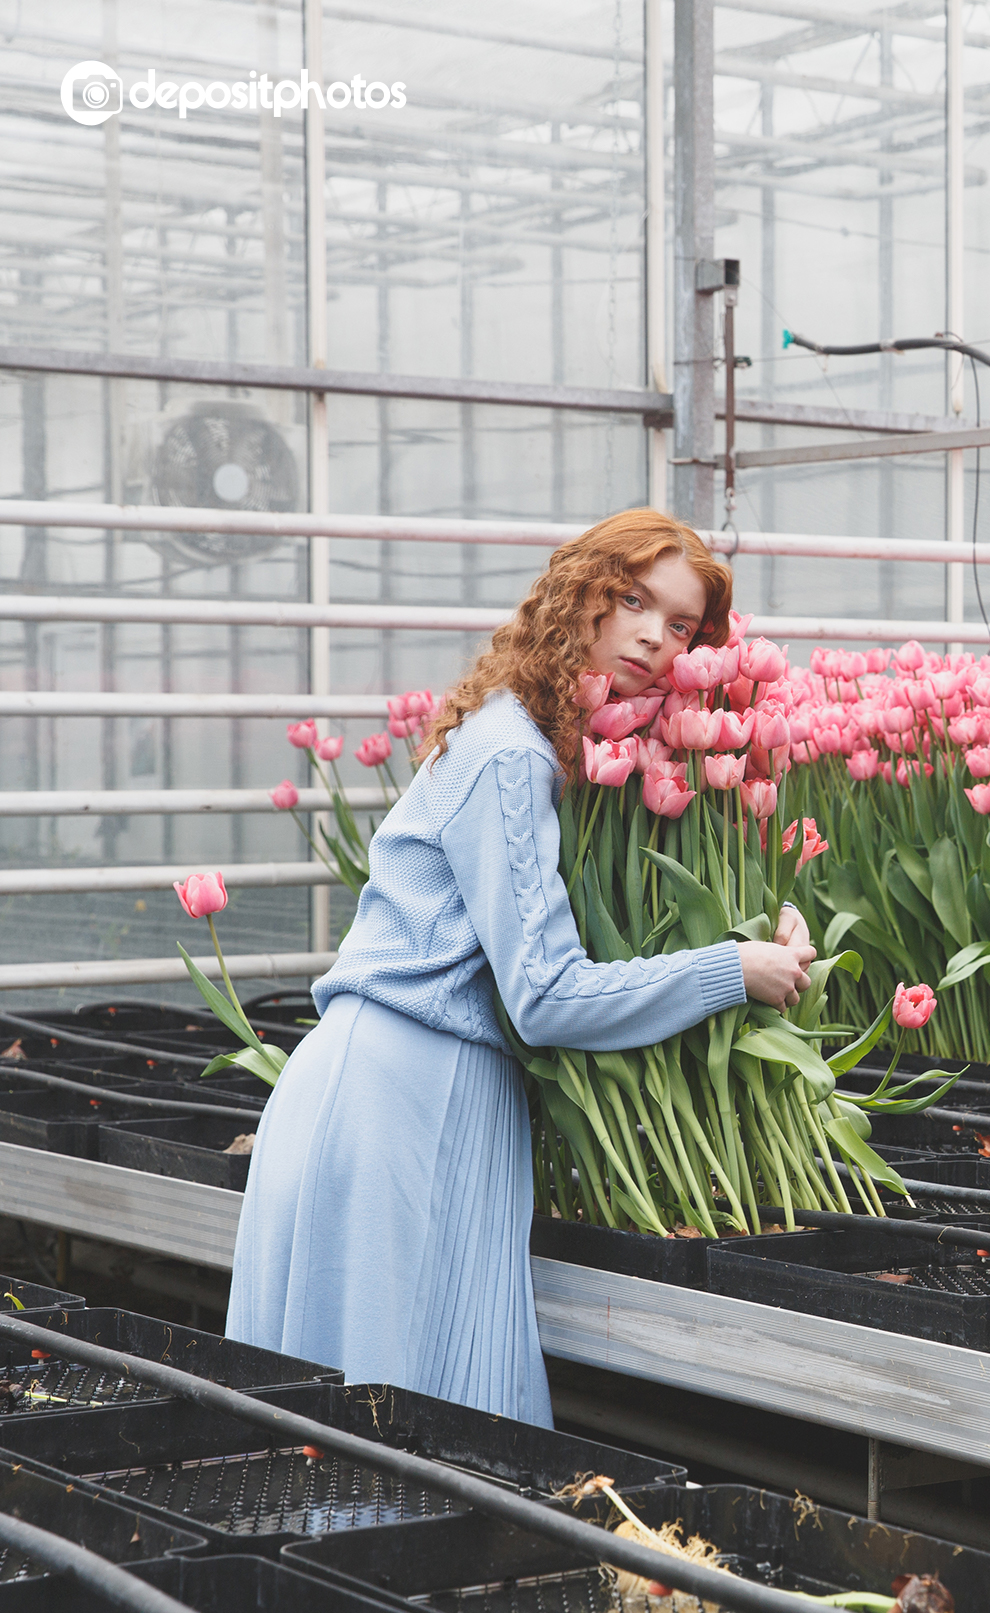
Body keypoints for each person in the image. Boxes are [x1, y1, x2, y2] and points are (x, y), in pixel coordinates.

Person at [226, 509, 816, 1426]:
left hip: (388, 1087)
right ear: (578, 593)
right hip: (404, 1104)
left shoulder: (518, 737)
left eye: (683, 626)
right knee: (410, 1437)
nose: (656, 638)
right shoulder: (512, 756)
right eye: (632, 600)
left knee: (364, 1435)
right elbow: (543, 995)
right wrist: (730, 969)